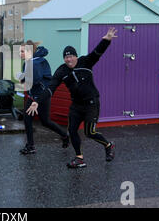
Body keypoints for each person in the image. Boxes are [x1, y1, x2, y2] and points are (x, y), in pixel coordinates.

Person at [26, 27, 117, 168]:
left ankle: (108, 145)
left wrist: (106, 40)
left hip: (91, 103)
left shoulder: (86, 62)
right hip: (76, 105)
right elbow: (50, 88)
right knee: (72, 131)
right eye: (66, 57)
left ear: (75, 56)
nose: (69, 59)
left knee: (90, 132)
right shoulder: (61, 71)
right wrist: (37, 101)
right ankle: (79, 158)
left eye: (71, 56)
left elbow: (98, 52)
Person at [17, 40, 70, 155]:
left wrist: (22, 78)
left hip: (42, 96)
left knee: (45, 121)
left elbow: (35, 80)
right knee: (27, 119)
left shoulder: (34, 63)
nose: (19, 54)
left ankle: (65, 135)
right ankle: (30, 146)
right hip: (33, 95)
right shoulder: (29, 62)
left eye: (22, 51)